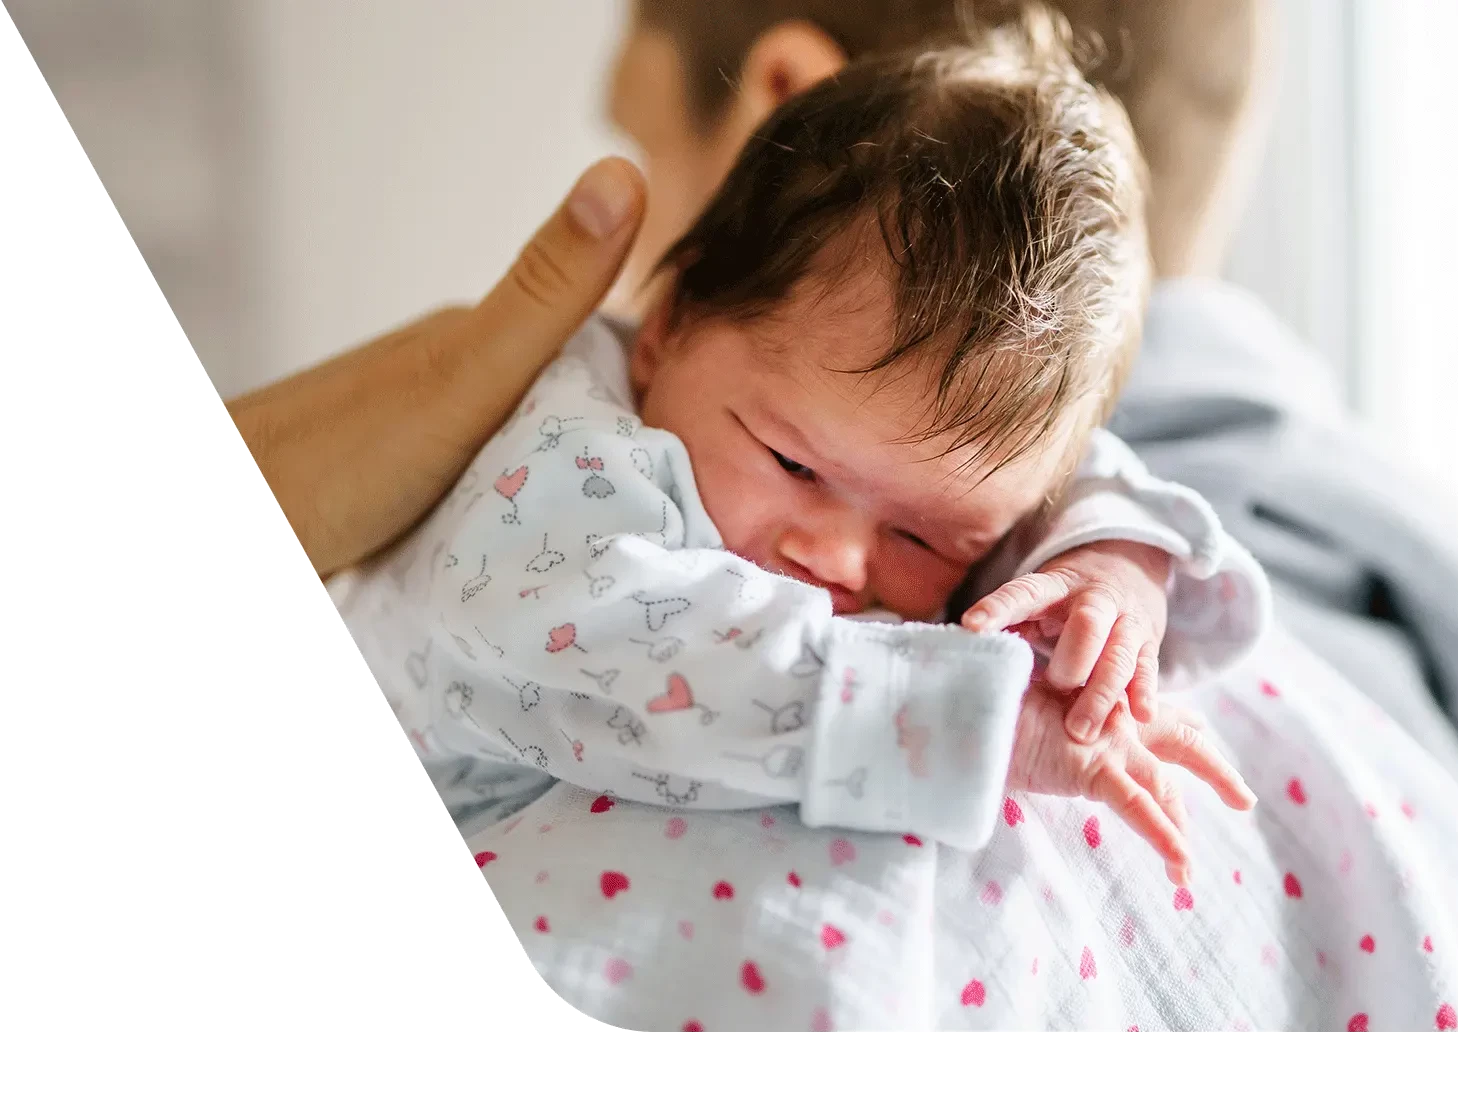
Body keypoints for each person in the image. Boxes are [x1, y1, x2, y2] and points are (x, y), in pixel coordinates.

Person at [350, 11, 1264, 884]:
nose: (835, 558)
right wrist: (985, 726)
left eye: (923, 540)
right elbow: (651, 647)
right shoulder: (563, 465)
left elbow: (1050, 490)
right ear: (669, 325)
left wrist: (1111, 565)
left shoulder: (828, 426)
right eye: (794, 466)